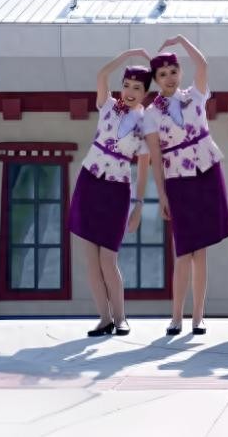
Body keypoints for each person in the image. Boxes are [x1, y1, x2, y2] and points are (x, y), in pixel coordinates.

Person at [143, 36, 228, 336]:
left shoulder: (196, 95)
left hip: (206, 172)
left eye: (173, 71)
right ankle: (176, 317)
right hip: (177, 179)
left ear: (180, 72)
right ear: (156, 80)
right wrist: (162, 195)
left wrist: (182, 40)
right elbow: (155, 158)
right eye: (162, 74)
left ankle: (198, 317)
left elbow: (203, 64)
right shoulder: (151, 114)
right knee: (182, 251)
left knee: (200, 251)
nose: (169, 77)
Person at [68, 50, 152, 337]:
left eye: (137, 87)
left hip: (117, 189)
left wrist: (138, 205)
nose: (129, 91)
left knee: (108, 259)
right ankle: (104, 319)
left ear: (145, 93)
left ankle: (120, 318)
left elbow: (143, 167)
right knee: (91, 259)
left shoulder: (146, 124)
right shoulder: (107, 105)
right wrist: (128, 54)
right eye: (126, 85)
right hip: (89, 182)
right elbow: (102, 74)